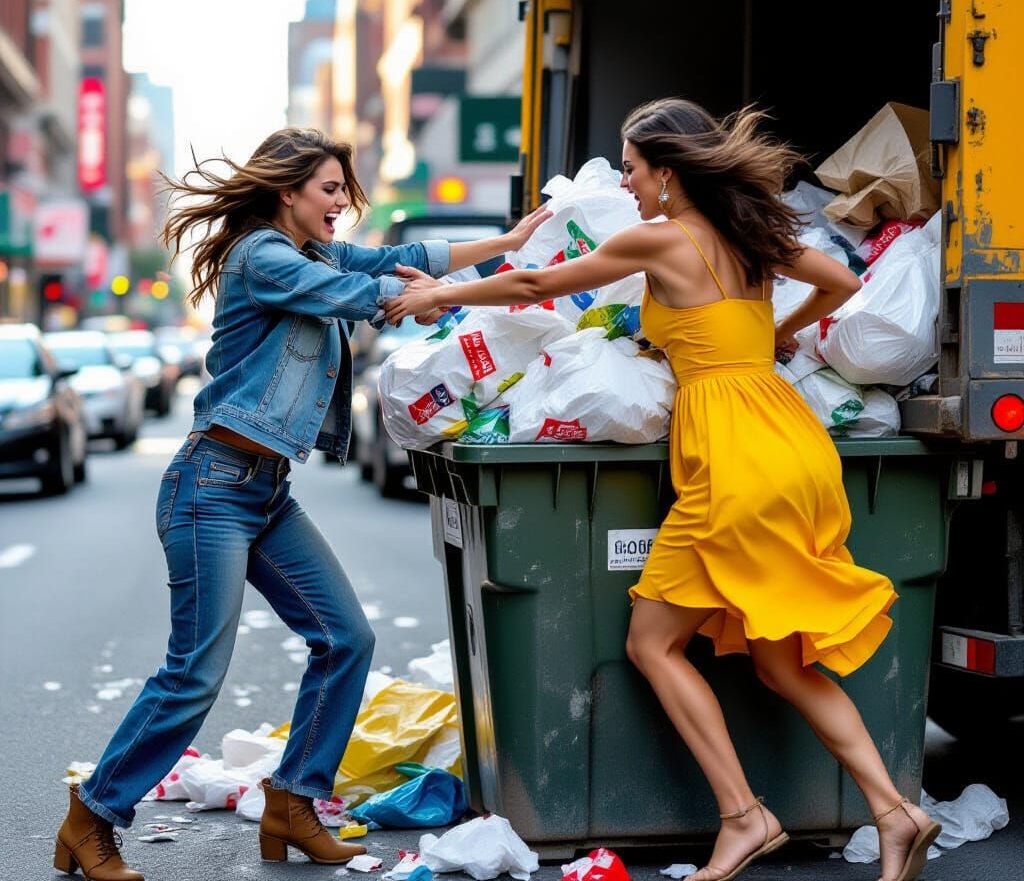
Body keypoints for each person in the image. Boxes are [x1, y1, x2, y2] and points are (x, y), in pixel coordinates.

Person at [384, 99, 942, 881]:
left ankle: (745, 817)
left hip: (733, 458)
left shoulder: (661, 237)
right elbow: (840, 280)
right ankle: (895, 811)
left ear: (669, 173)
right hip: (792, 442)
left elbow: (537, 282)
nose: (625, 178)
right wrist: (777, 335)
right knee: (783, 663)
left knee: (652, 642)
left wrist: (439, 297)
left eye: (632, 164)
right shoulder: (752, 239)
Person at [54, 128, 551, 881]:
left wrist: (505, 242)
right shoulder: (264, 257)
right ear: (286, 192)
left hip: (264, 493)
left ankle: (293, 801)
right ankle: (93, 815)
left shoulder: (313, 253)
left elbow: (393, 262)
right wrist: (459, 295)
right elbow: (361, 293)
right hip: (210, 488)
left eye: (345, 190)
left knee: (345, 638)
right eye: (329, 189)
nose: (342, 204)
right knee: (193, 672)